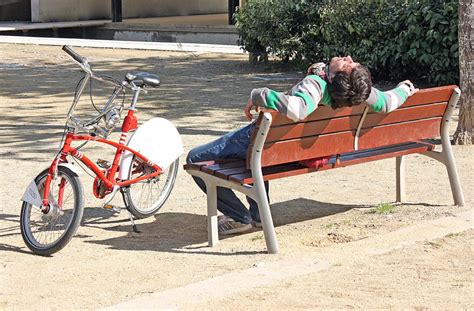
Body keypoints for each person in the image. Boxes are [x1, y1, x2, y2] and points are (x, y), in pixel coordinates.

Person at [186, 56, 418, 235]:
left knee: (196, 158)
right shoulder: (357, 92)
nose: (346, 57)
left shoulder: (317, 86)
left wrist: (259, 94)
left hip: (263, 140)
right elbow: (388, 102)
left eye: (347, 63)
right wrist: (406, 88)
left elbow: (298, 109)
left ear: (337, 77)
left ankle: (239, 217)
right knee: (263, 151)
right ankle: (257, 215)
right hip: (301, 149)